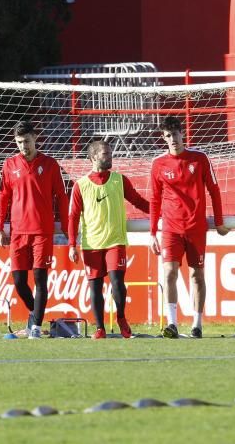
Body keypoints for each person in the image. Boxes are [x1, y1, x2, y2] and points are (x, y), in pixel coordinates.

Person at [150, 116, 228, 339]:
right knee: (169, 272)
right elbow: (155, 200)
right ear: (163, 138)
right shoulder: (158, 164)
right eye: (168, 135)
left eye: (175, 134)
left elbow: (214, 189)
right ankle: (172, 324)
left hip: (195, 227)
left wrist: (219, 221)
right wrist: (152, 233)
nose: (172, 139)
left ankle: (196, 324)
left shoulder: (199, 158)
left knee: (197, 275)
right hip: (171, 229)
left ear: (182, 134)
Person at [68, 140, 150, 339]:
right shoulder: (81, 185)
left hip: (115, 241)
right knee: (95, 286)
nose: (110, 156)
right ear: (93, 157)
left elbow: (138, 201)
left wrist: (161, 212)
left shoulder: (119, 180)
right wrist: (72, 244)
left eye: (110, 152)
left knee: (116, 281)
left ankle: (121, 318)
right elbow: (72, 216)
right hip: (91, 244)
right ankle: (100, 328)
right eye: (105, 153)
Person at [0, 121, 69, 339]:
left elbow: (62, 198)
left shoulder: (50, 164)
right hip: (18, 232)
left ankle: (35, 327)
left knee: (40, 278)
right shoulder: (9, 165)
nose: (23, 146)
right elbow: (3, 198)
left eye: (26, 141)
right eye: (19, 142)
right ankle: (35, 315)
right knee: (18, 281)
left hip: (42, 232)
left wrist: (66, 226)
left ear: (35, 138)